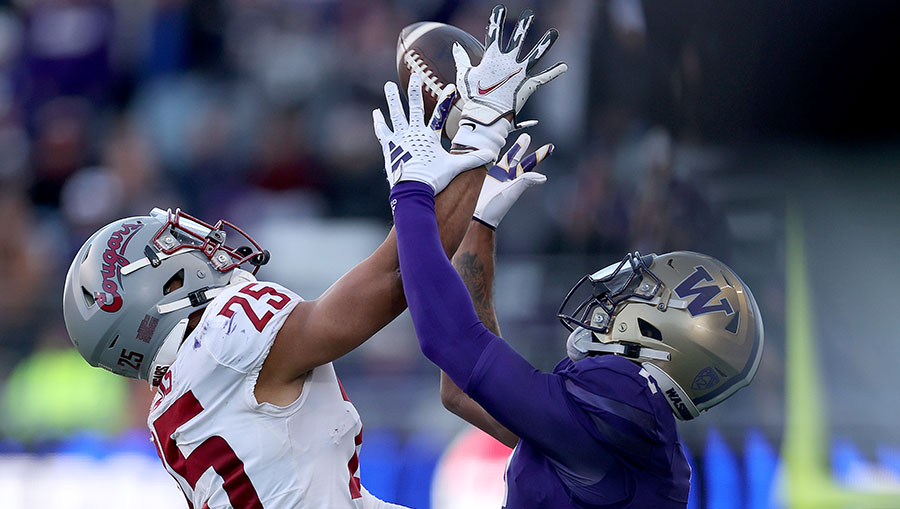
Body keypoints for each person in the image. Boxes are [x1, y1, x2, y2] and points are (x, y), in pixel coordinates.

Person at [62, 5, 566, 507]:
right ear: (160, 288)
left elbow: (462, 381)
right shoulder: (220, 342)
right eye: (169, 247)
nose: (194, 244)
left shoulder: (179, 402)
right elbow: (395, 279)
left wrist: (475, 218)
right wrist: (478, 130)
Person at [380, 40, 763, 509]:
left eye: (645, 291)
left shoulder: (620, 404)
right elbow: (463, 388)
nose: (623, 294)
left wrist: (413, 193)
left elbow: (448, 338)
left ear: (664, 330)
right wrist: (479, 225)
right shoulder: (633, 436)